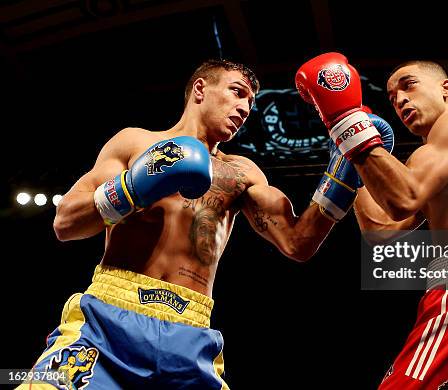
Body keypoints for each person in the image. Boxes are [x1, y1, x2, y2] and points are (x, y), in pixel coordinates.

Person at [20, 59, 358, 390]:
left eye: (251, 103)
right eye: (237, 92)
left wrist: (343, 176)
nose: (244, 108)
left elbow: (297, 243)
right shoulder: (135, 143)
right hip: (107, 321)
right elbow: (65, 223)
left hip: (190, 333)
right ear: (200, 89)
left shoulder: (243, 173)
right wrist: (133, 186)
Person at [295, 53, 448, 389]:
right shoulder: (437, 164)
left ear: (445, 88)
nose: (401, 101)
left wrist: (347, 121)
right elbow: (380, 231)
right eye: (393, 99)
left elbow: (403, 199)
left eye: (408, 86)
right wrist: (355, 160)